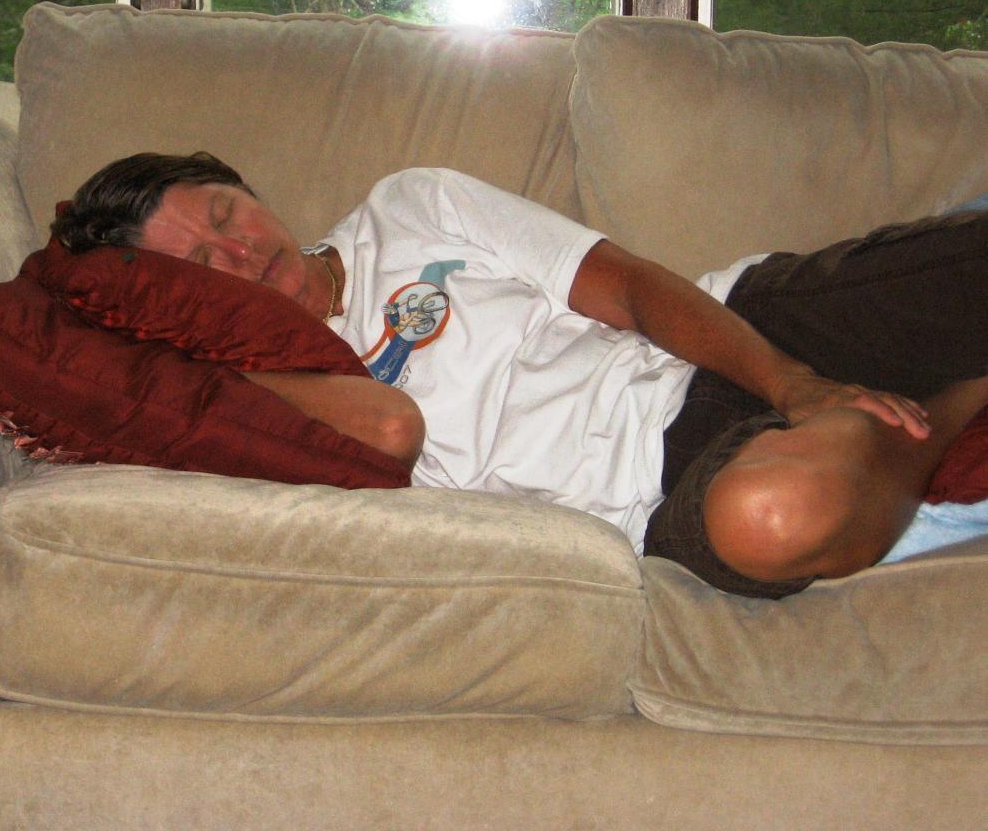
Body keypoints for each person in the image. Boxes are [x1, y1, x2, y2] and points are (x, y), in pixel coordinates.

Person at [53, 151, 988, 599]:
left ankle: (874, 411)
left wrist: (791, 385)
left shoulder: (409, 206)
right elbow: (388, 432)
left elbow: (630, 289)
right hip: (666, 490)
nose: (239, 253)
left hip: (729, 335)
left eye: (226, 213)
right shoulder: (259, 404)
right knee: (771, 519)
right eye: (197, 265)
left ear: (253, 190)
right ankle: (957, 403)